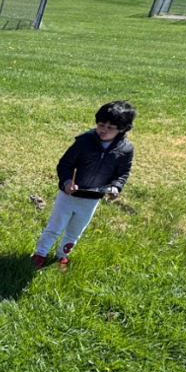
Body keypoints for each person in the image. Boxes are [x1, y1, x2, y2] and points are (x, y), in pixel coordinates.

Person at [32, 101, 136, 268]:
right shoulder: (84, 141)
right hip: (68, 196)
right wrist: (66, 182)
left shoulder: (126, 150)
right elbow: (65, 164)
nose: (104, 130)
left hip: (91, 199)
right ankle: (40, 254)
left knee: (75, 232)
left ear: (123, 129)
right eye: (101, 124)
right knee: (54, 228)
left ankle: (62, 256)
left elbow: (123, 173)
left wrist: (116, 186)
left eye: (110, 127)